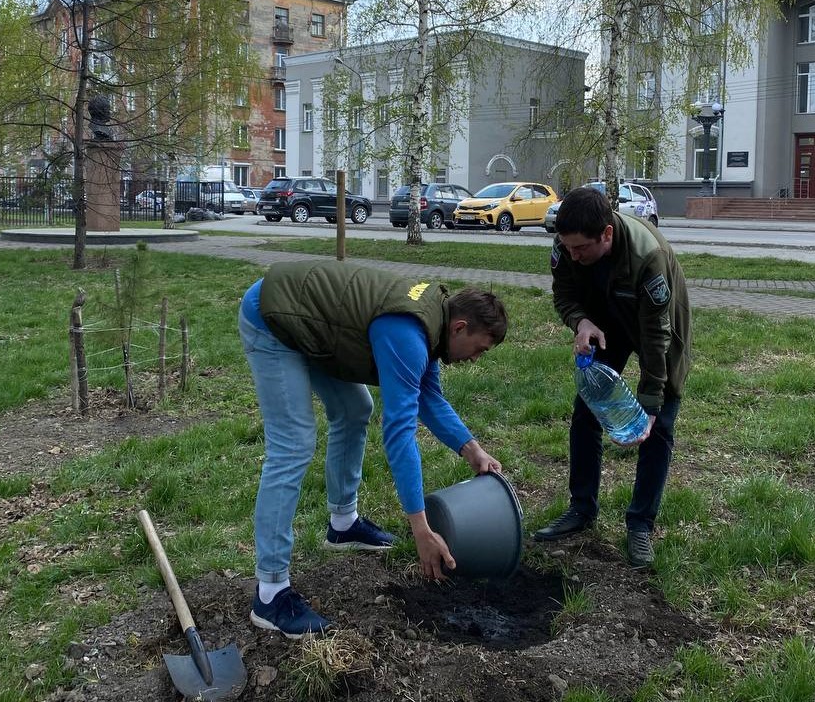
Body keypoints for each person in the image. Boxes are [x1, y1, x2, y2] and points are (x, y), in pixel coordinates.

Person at [239, 260, 507, 636]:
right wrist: (421, 528)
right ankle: (270, 592)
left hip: (312, 321)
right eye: (478, 349)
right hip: (273, 317)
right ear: (460, 327)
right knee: (293, 444)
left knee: (354, 408)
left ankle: (343, 525)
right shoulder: (409, 335)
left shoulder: (433, 322)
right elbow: (399, 433)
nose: (476, 359)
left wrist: (472, 450)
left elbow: (430, 397)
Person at [535, 186, 690, 569]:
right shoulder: (566, 245)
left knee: (659, 424)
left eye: (581, 249)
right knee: (587, 409)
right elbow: (564, 294)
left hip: (659, 326)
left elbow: (657, 337)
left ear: (606, 234)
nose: (573, 255)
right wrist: (580, 321)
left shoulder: (646, 256)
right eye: (567, 247)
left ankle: (640, 525)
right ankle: (582, 508)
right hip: (605, 320)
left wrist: (650, 404)